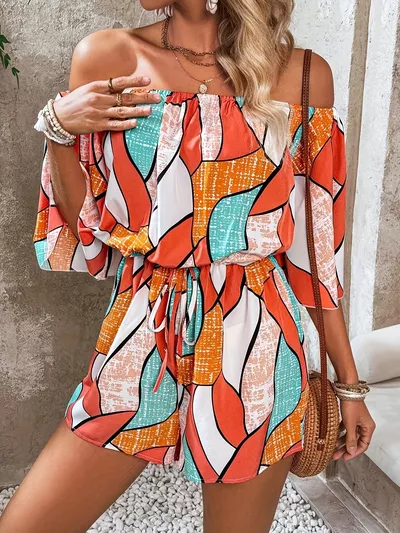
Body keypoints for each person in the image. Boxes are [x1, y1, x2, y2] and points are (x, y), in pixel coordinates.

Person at [0, 1, 376, 532]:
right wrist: (59, 129)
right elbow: (90, 228)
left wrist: (349, 385)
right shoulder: (107, 56)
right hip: (144, 328)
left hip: (255, 342)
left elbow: (314, 256)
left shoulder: (303, 75)